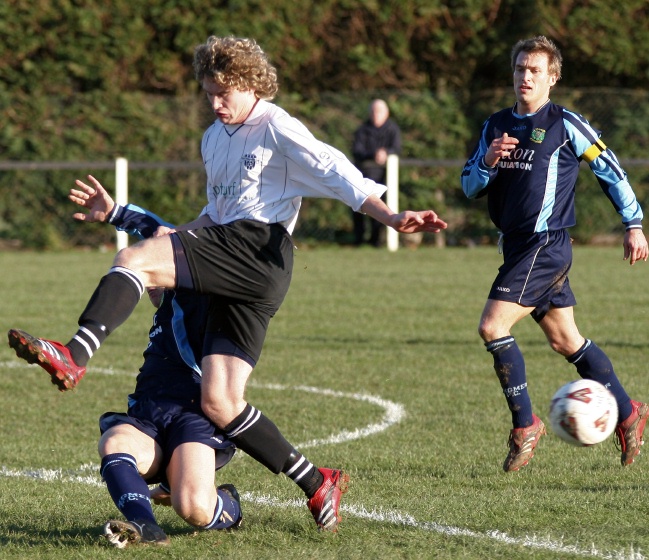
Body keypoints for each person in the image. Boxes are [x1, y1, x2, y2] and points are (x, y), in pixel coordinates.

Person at [7, 36, 447, 531]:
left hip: (260, 250)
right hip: (236, 257)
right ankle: (318, 481)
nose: (216, 104)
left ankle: (75, 354)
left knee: (133, 260)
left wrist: (391, 216)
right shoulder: (214, 138)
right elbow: (211, 218)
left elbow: (334, 169)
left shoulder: (276, 124)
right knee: (220, 402)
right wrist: (123, 215)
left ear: (253, 84)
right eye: (209, 93)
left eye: (225, 94)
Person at [460, 35, 649, 472]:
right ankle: (628, 410)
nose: (525, 77)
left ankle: (525, 426)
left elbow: (610, 168)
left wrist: (633, 223)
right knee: (566, 340)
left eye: (535, 70)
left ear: (553, 78)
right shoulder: (495, 125)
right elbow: (469, 186)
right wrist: (487, 161)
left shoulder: (566, 123)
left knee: (492, 326)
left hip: (546, 245)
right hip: (515, 248)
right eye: (520, 69)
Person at [74, 190, 242, 547]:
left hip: (195, 416)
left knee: (193, 507)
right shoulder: (169, 294)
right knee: (115, 441)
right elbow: (159, 232)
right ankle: (144, 526)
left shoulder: (210, 287)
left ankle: (229, 506)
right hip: (149, 412)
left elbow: (174, 240)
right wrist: (116, 212)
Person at [351, 99, 402, 246]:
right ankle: (358, 240)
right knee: (357, 208)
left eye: (379, 112)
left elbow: (397, 149)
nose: (376, 115)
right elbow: (357, 151)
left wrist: (386, 153)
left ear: (386, 113)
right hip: (362, 176)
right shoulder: (362, 130)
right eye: (373, 111)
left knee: (380, 210)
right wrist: (374, 154)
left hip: (384, 178)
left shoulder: (393, 129)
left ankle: (376, 241)